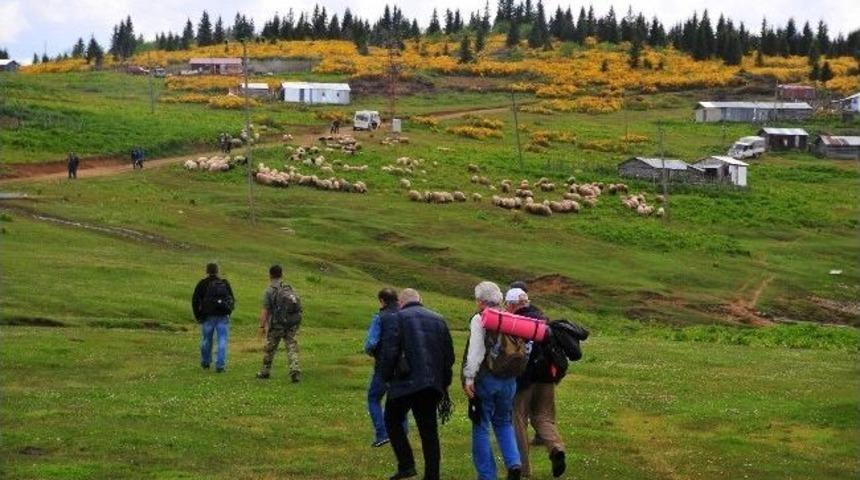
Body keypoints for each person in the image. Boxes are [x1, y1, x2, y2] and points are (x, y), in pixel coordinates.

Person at [379, 288, 454, 480]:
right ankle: (432, 475)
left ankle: (406, 464)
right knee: (429, 431)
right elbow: (449, 356)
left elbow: (389, 351)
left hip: (404, 382)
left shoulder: (397, 318)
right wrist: (444, 383)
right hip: (431, 384)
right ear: (420, 300)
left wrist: (385, 376)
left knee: (392, 419)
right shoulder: (438, 319)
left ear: (401, 303)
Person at [463, 281, 523, 480]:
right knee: (504, 422)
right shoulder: (511, 317)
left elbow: (476, 352)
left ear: (480, 301)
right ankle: (514, 462)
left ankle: (487, 475)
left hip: (487, 379)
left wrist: (469, 377)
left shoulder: (480, 319)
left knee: (481, 425)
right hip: (510, 380)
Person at [507, 288, 566, 479]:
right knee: (543, 417)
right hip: (547, 378)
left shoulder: (516, 323)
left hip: (525, 380)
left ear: (514, 304)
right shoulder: (543, 319)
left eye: (508, 304)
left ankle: (523, 469)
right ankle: (556, 448)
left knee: (519, 420)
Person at [364, 288, 401, 448]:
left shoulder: (379, 318)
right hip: (402, 366)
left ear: (382, 301)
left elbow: (371, 343)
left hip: (384, 366)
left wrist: (371, 352)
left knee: (374, 398)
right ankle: (401, 434)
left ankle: (382, 433)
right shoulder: (405, 316)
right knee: (398, 400)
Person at [257, 265, 303, 382]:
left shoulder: (269, 290)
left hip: (276, 325)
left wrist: (262, 326)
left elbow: (265, 310)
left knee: (270, 348)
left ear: (270, 275)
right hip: (291, 324)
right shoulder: (289, 288)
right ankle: (295, 371)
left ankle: (265, 371)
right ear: (282, 274)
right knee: (291, 346)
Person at [191, 263, 235, 373]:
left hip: (208, 316)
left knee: (206, 339)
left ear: (206, 271)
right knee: (222, 340)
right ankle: (220, 365)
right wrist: (229, 312)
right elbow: (231, 300)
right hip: (222, 316)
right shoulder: (224, 283)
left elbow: (195, 301)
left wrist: (198, 315)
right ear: (217, 271)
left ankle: (206, 362)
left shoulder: (202, 283)